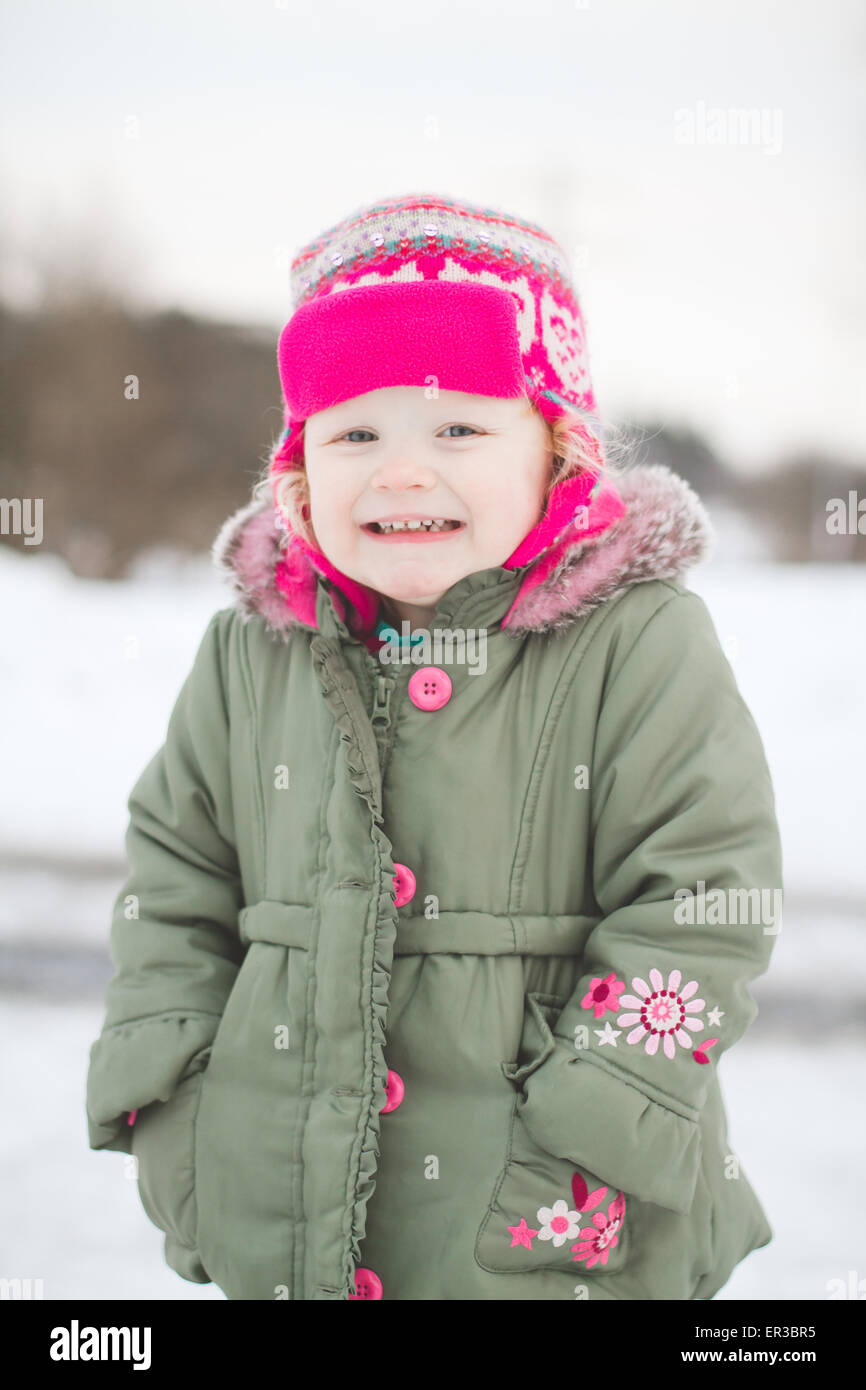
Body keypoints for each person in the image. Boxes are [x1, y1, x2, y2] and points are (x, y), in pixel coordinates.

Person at [85, 191, 783, 1301]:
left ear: (556, 451)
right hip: (287, 1228)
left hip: (557, 1236)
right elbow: (173, 882)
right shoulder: (250, 653)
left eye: (457, 428)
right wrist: (173, 1105)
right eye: (354, 431)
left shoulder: (637, 643)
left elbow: (702, 894)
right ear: (300, 464)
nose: (401, 470)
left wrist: (597, 1127)